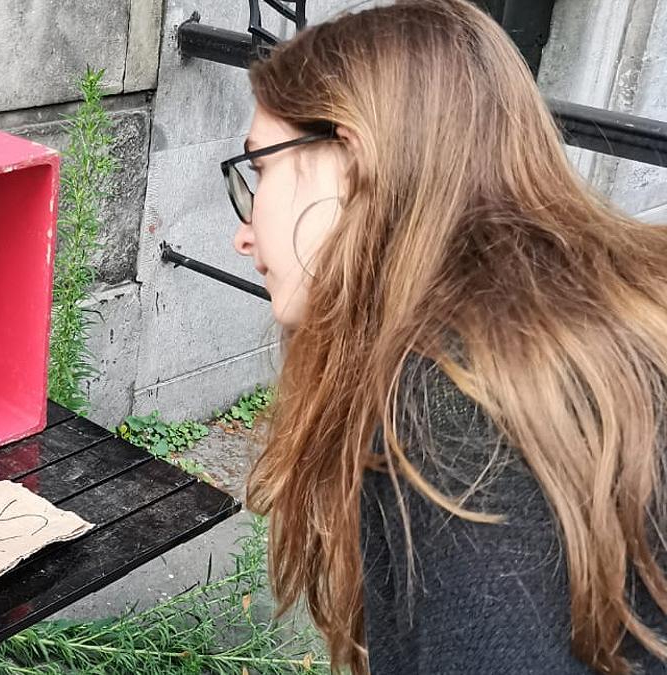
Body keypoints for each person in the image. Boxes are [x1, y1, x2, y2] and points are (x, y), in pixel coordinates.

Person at [227, 1, 667, 673]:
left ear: (352, 155)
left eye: (260, 167)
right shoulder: (592, 322)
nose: (244, 232)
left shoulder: (453, 403)